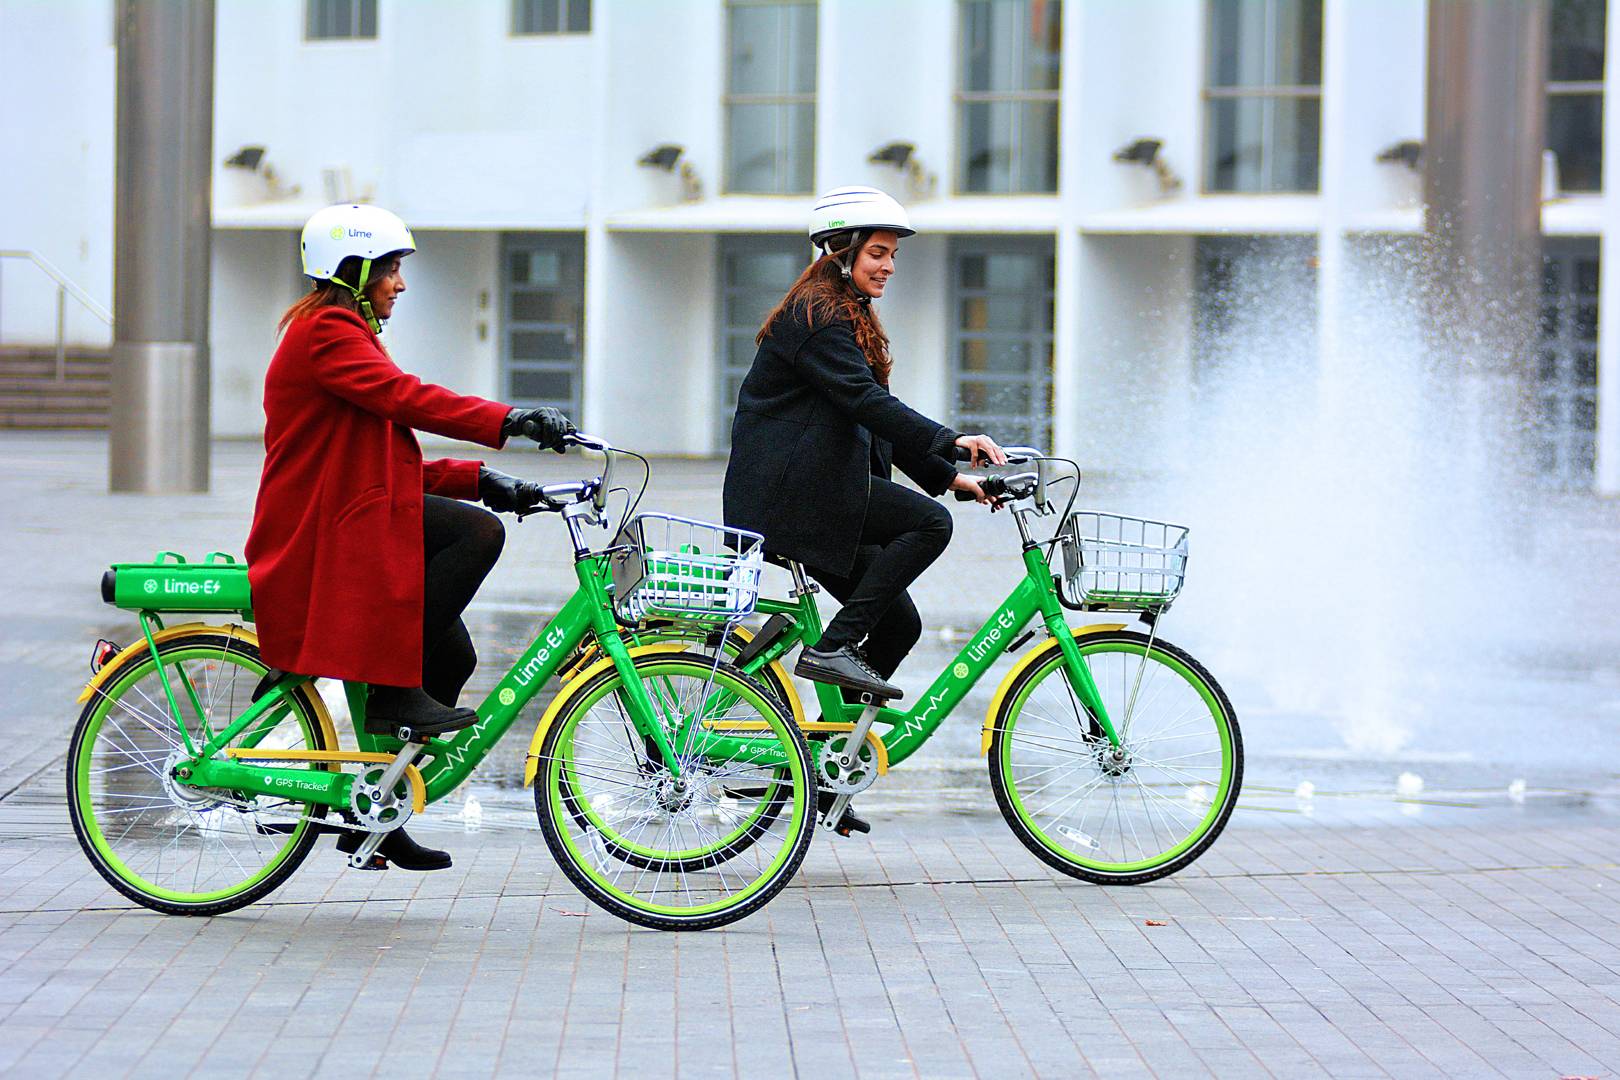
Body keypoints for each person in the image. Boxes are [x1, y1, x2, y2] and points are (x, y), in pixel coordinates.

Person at [245, 203, 573, 871]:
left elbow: (387, 460)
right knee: (475, 536)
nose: (400, 283)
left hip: (348, 514)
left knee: (451, 659)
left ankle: (380, 810)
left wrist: (486, 479)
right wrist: (507, 419)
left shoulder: (341, 332)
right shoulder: (328, 334)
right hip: (321, 529)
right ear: (353, 269)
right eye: (390, 269)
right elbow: (407, 398)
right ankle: (394, 690)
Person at [723, 187, 1005, 830]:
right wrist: (950, 441)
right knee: (928, 527)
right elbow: (865, 403)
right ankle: (834, 647)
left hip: (817, 490)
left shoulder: (840, 311)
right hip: (793, 497)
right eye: (878, 253)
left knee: (900, 622)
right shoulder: (816, 317)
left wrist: (946, 476)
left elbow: (867, 421)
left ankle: (830, 766)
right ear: (840, 249)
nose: (888, 266)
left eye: (892, 256)